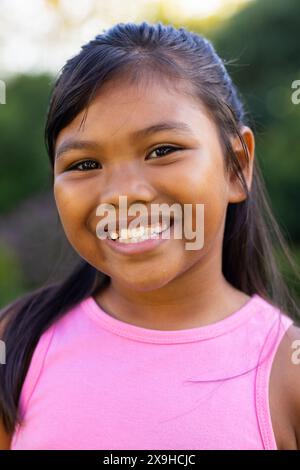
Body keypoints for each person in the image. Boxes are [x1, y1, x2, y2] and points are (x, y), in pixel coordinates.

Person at [1, 21, 300, 450]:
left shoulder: (287, 374)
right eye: (84, 164)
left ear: (236, 166)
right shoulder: (18, 344)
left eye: (162, 151)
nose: (123, 194)